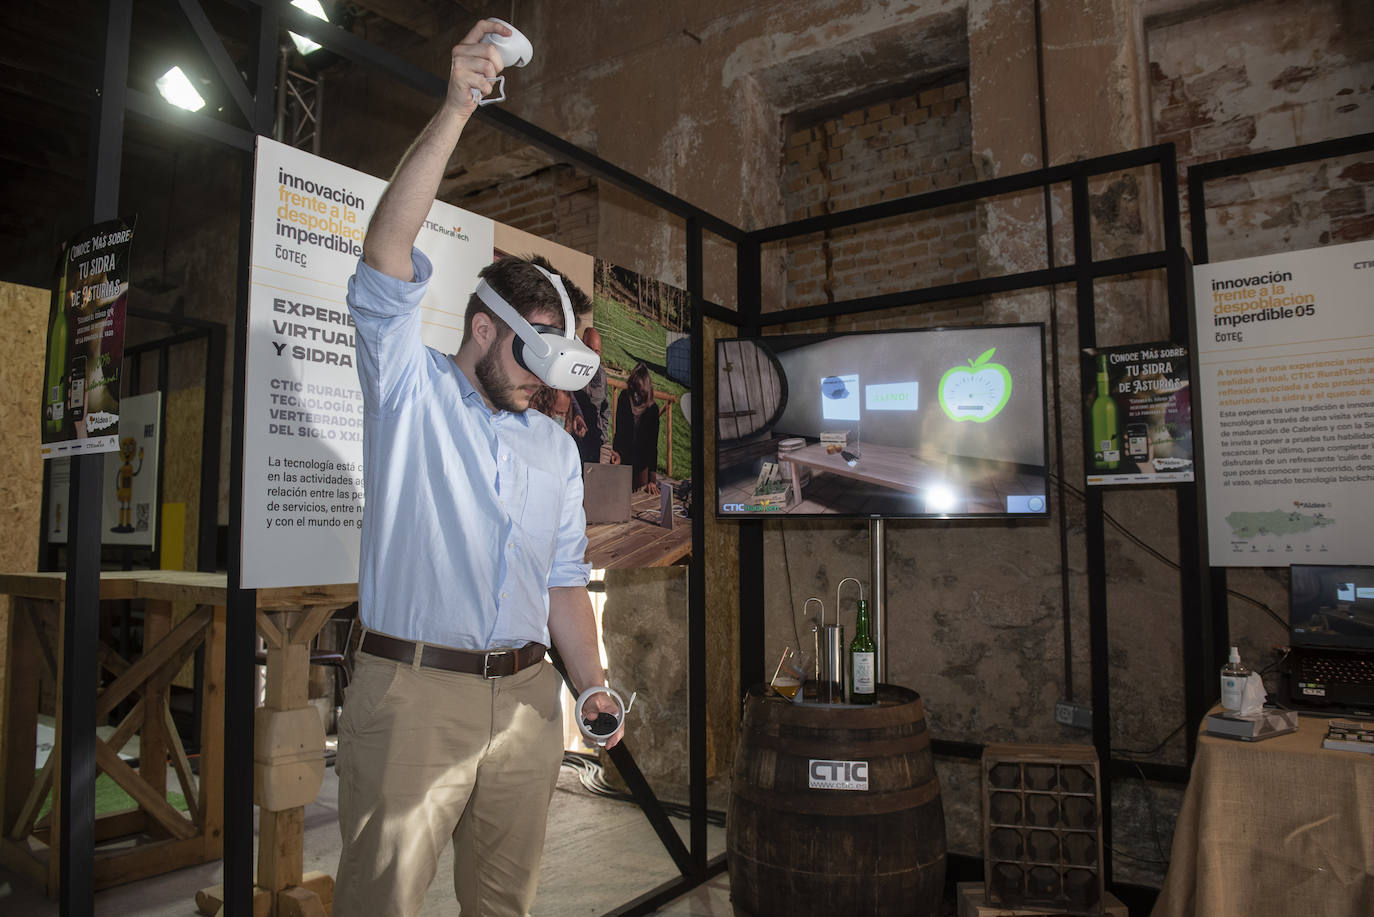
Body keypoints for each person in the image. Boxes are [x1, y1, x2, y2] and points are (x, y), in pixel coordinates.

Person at [335, 20, 621, 917]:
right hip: (413, 695)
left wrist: (594, 685)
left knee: (504, 906)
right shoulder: (408, 394)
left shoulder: (551, 445)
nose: (543, 387)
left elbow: (565, 581)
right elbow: (386, 255)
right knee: (382, 902)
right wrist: (459, 106)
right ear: (486, 330)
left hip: (532, 700)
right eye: (532, 361)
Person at [612, 361, 661, 494]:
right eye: (633, 392)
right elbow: (619, 431)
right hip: (623, 459)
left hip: (642, 467)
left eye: (639, 393)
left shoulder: (653, 410)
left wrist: (652, 479)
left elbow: (652, 446)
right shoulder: (623, 398)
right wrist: (615, 453)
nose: (635, 397)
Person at [570, 327, 610, 464]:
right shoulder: (571, 367)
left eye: (597, 351)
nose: (593, 354)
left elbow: (605, 408)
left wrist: (603, 437)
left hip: (594, 439)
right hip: (572, 437)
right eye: (589, 348)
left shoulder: (602, 375)